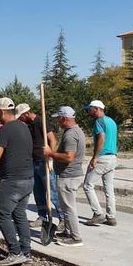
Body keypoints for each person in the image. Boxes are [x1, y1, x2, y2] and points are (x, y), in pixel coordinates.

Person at [0, 97, 34, 266]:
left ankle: (15, 252)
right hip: (28, 179)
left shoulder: (5, 130)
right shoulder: (24, 128)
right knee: (19, 215)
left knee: (2, 214)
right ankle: (26, 252)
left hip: (12, 181)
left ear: (2, 112)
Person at [15, 104, 64, 231]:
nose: (20, 120)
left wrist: (51, 158)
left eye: (21, 117)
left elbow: (52, 140)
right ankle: (42, 217)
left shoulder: (41, 122)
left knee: (52, 192)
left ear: (26, 114)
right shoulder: (29, 125)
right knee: (38, 192)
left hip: (44, 162)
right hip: (34, 162)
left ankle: (63, 218)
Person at [43, 106, 86, 247]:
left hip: (68, 176)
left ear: (65, 118)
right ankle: (68, 231)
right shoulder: (76, 131)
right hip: (70, 175)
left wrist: (50, 154)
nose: (57, 122)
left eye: (59, 119)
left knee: (68, 208)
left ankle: (75, 237)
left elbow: (69, 157)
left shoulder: (70, 135)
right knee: (66, 207)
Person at [82, 100, 119, 227]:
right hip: (113, 157)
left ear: (97, 109)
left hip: (102, 158)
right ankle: (111, 217)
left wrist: (95, 157)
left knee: (87, 185)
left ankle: (98, 214)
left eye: (90, 109)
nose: (88, 111)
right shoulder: (111, 121)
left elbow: (102, 139)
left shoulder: (99, 122)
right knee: (109, 189)